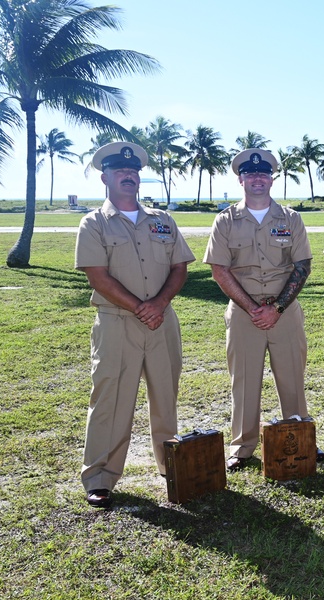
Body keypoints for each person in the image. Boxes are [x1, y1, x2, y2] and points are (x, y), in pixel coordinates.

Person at [75, 141, 195, 508]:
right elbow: (98, 277)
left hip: (162, 321)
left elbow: (180, 267)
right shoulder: (94, 223)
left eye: (133, 171)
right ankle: (100, 476)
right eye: (120, 171)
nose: (129, 175)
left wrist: (158, 305)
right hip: (116, 323)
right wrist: (142, 308)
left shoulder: (162, 220)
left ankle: (169, 464)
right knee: (110, 399)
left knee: (165, 396)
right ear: (105, 177)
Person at [204, 148, 320, 471]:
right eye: (251, 174)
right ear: (240, 179)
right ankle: (242, 447)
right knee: (243, 380)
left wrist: (277, 307)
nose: (258, 178)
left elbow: (302, 265)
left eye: (264, 173)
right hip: (244, 313)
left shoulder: (291, 219)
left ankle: (301, 434)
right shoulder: (225, 221)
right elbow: (219, 270)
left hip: (286, 311)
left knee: (293, 378)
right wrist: (255, 308)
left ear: (272, 179)